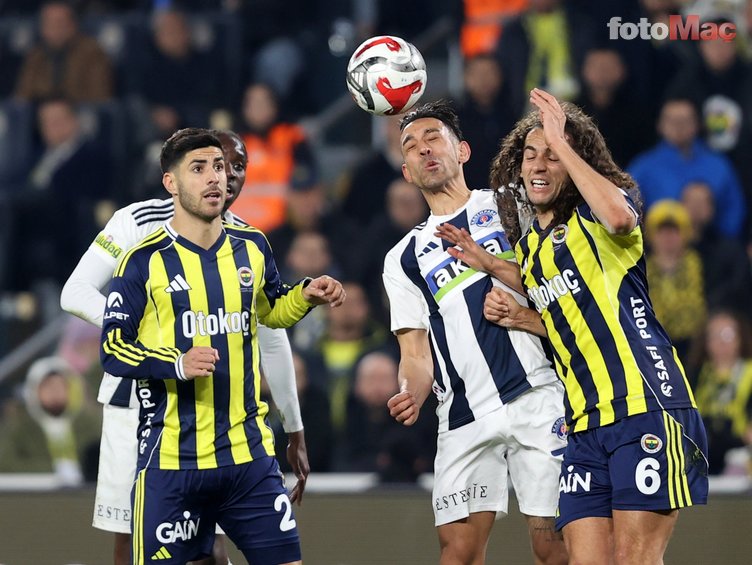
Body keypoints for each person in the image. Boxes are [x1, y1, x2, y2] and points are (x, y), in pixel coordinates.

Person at [467, 88, 708, 564]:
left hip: (645, 405)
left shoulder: (597, 217)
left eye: (553, 155)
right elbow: (563, 311)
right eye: (531, 154)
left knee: (633, 559)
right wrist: (494, 270)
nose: (539, 164)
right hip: (583, 425)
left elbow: (619, 218)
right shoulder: (532, 249)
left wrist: (563, 141)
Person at [60, 130, 311, 565]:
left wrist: (294, 424)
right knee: (132, 539)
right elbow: (75, 292)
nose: (225, 176)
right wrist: (159, 339)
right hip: (136, 405)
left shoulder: (249, 242)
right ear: (175, 179)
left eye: (234, 167)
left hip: (224, 419)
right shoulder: (137, 221)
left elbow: (271, 333)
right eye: (208, 166)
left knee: (212, 548)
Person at [383, 100, 568, 565]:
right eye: (411, 146)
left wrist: (507, 288)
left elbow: (562, 282)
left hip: (536, 394)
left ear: (462, 151)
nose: (424, 150)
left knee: (553, 546)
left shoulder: (512, 205)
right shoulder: (402, 258)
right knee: (459, 553)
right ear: (406, 172)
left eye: (433, 138)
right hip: (464, 415)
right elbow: (415, 353)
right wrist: (411, 392)